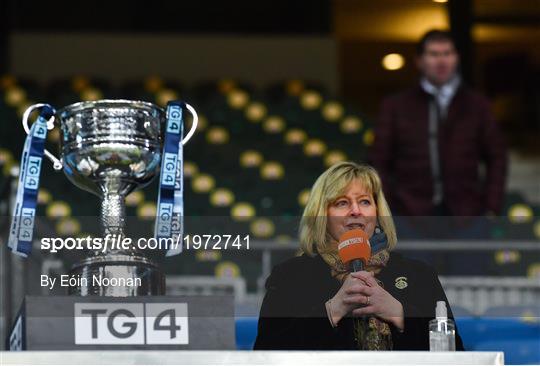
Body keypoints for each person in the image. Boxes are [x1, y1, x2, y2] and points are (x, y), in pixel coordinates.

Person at [253, 162, 464, 350]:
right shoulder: (290, 276)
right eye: (342, 203)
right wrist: (332, 311)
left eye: (364, 202)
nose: (356, 211)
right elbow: (265, 353)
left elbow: (456, 355)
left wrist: (400, 314)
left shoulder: (419, 274)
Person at [370, 30, 507, 217]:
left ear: (456, 58)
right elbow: (378, 161)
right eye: (434, 54)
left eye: (447, 53)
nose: (441, 61)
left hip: (467, 215)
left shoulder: (478, 105)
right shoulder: (396, 106)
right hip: (409, 214)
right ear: (419, 61)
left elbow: (497, 157)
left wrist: (491, 206)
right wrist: (388, 208)